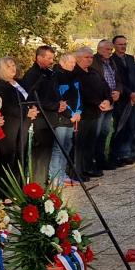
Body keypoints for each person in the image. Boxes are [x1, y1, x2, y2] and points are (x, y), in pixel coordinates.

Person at [20, 46, 61, 184]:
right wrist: (55, 105)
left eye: (52, 58)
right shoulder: (33, 75)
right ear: (39, 58)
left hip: (50, 118)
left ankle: (42, 181)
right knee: (39, 155)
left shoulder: (48, 73)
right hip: (40, 120)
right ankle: (37, 183)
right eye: (48, 58)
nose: (51, 61)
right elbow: (34, 99)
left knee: (46, 154)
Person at [0, 57, 38, 178]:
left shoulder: (19, 82)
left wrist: (33, 108)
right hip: (9, 125)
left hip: (23, 123)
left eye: (13, 65)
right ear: (1, 69)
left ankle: (19, 186)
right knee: (8, 156)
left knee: (21, 155)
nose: (13, 68)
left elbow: (28, 98)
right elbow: (5, 106)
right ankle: (4, 191)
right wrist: (25, 112)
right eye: (9, 66)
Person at [73, 47, 113, 178]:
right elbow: (81, 93)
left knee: (91, 141)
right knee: (80, 143)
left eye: (91, 57)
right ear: (78, 58)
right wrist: (97, 102)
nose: (90, 59)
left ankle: (89, 167)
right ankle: (78, 170)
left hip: (95, 113)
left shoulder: (94, 72)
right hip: (83, 113)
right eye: (87, 57)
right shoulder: (75, 74)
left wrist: (107, 99)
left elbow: (105, 86)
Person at [49, 53, 83, 185]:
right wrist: (70, 114)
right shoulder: (57, 76)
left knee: (67, 147)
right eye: (70, 63)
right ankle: (55, 177)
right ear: (62, 63)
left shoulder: (75, 77)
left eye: (74, 63)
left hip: (74, 117)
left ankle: (62, 174)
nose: (73, 65)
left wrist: (79, 111)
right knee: (59, 148)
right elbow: (60, 98)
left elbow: (79, 96)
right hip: (62, 118)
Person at [94, 40, 127, 169]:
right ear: (99, 49)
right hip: (100, 102)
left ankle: (101, 159)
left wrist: (118, 91)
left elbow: (118, 80)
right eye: (107, 49)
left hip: (112, 102)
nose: (110, 52)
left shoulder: (111, 62)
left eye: (111, 50)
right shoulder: (94, 62)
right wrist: (106, 97)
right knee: (96, 133)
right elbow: (96, 83)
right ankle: (95, 160)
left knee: (104, 132)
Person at [107, 35, 135, 165]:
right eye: (120, 44)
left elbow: (134, 77)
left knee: (130, 127)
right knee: (119, 127)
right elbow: (117, 80)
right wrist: (129, 92)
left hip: (132, 97)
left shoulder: (131, 59)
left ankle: (126, 154)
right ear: (114, 46)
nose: (123, 46)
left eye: (125, 44)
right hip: (120, 97)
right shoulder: (111, 60)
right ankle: (114, 155)